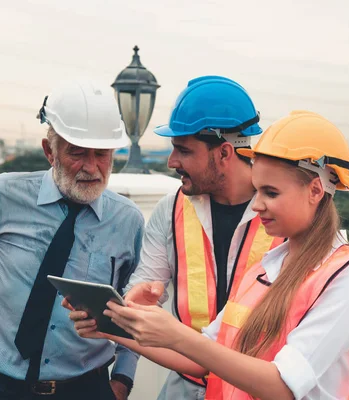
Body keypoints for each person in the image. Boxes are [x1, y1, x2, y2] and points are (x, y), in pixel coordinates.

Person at [71, 110, 349, 399]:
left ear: (316, 190)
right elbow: (202, 357)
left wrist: (178, 335)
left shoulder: (348, 276)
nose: (257, 205)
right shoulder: (265, 269)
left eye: (270, 193)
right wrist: (110, 328)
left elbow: (283, 385)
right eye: (258, 190)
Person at [0, 79, 144, 399]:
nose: (91, 167)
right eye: (77, 153)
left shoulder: (128, 220)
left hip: (87, 388)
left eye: (102, 154)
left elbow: (139, 304)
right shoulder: (0, 196)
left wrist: (122, 378)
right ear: (50, 151)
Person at [110, 75, 284, 399]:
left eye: (183, 150)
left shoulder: (283, 214)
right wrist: (125, 309)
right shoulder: (172, 208)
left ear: (224, 153)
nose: (171, 162)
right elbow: (145, 287)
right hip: (184, 389)